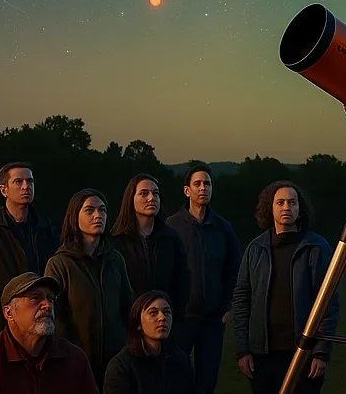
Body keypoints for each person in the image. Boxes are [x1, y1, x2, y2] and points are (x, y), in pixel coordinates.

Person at [232, 181, 337, 394]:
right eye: (280, 202)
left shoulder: (317, 247)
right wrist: (243, 350)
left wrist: (321, 353)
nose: (286, 207)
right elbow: (242, 300)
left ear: (300, 209)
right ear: (270, 208)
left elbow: (328, 302)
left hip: (303, 353)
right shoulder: (256, 248)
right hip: (263, 355)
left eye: (292, 202)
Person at [45, 188, 134, 386]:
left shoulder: (115, 260)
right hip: (77, 358)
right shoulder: (60, 263)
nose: (98, 215)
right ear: (74, 216)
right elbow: (55, 316)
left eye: (102, 210)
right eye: (90, 210)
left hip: (115, 358)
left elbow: (128, 306)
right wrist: (68, 351)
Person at [167, 162, 241, 394]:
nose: (203, 188)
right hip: (181, 318)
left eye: (207, 184)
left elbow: (233, 268)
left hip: (212, 320)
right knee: (175, 378)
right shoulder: (172, 226)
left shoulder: (222, 227)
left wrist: (227, 304)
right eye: (197, 184)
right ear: (187, 190)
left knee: (207, 381)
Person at [0, 162, 58, 337]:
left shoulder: (46, 229)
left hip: (41, 321)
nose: (26, 186)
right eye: (18, 181)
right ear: (4, 190)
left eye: (30, 181)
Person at [0, 272, 98, 394]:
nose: (48, 305)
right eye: (35, 298)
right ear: (9, 313)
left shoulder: (74, 358)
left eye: (50, 299)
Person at [110, 175, 190, 321]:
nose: (151, 198)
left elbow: (182, 280)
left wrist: (173, 313)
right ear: (131, 198)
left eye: (155, 193)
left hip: (163, 321)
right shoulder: (116, 241)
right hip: (127, 323)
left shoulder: (171, 238)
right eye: (144, 193)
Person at [103, 290, 195, 394]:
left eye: (167, 312)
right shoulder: (121, 367)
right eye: (153, 313)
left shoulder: (182, 361)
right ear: (138, 324)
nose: (162, 318)